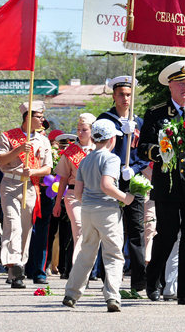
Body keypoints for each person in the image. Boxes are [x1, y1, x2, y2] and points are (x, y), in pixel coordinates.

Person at [137, 60, 185, 305]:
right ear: (170, 86)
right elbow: (143, 149)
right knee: (168, 235)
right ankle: (152, 279)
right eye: (181, 83)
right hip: (168, 185)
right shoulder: (157, 113)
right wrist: (162, 150)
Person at [62, 119, 134, 312]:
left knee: (86, 252)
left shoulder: (85, 159)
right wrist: (126, 198)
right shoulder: (111, 159)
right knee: (112, 254)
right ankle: (112, 296)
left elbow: (77, 192)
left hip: (87, 209)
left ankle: (71, 293)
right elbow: (107, 185)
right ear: (112, 139)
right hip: (107, 210)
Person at [97, 75, 149, 291]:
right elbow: (98, 149)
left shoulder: (139, 122)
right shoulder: (105, 119)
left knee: (136, 231)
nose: (125, 98)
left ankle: (138, 281)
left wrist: (134, 169)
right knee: (110, 231)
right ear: (114, 95)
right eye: (121, 94)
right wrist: (119, 134)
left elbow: (145, 153)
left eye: (129, 94)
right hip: (110, 181)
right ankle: (106, 277)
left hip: (132, 181)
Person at [0, 100, 53, 289]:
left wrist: (34, 173)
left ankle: (16, 272)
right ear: (28, 116)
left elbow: (47, 168)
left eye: (43, 116)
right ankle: (16, 264)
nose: (42, 120)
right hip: (11, 185)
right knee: (12, 225)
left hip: (30, 187)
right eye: (38, 116)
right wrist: (20, 149)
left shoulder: (43, 140)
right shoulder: (8, 136)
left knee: (25, 230)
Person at [53, 114, 96, 273]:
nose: (80, 133)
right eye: (78, 130)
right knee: (79, 228)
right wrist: (58, 203)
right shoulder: (70, 151)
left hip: (93, 195)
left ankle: (88, 268)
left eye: (84, 130)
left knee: (91, 232)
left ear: (92, 130)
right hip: (72, 195)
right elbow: (63, 179)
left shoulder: (98, 149)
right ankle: (79, 270)